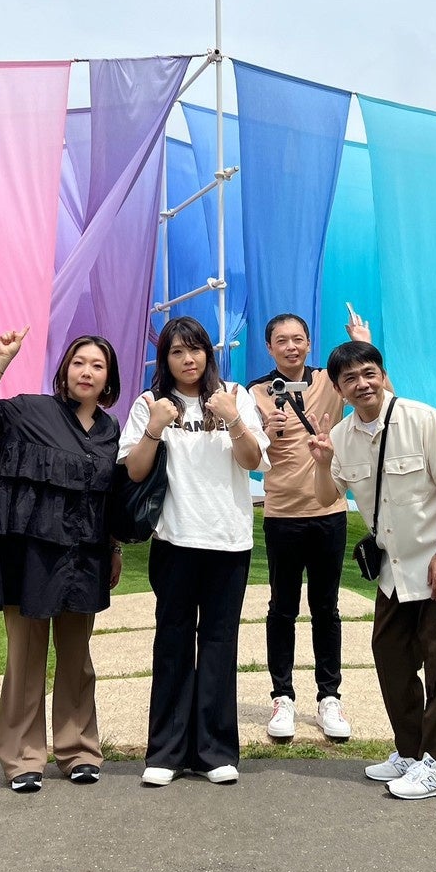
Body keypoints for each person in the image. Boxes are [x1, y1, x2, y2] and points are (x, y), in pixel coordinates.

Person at [308, 340, 436, 801]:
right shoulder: (342, 436)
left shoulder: (421, 419)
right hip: (395, 570)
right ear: (339, 389)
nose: (362, 384)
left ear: (383, 375)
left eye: (369, 373)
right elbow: (327, 497)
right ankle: (410, 752)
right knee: (391, 655)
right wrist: (323, 464)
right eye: (350, 378)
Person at [0, 327, 123, 794]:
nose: (86, 372)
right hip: (29, 556)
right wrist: (2, 360)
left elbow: (108, 500)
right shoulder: (31, 411)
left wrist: (114, 549)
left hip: (84, 557)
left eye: (97, 365)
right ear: (65, 370)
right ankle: (22, 758)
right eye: (79, 362)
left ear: (108, 378)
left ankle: (79, 752)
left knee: (77, 661)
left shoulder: (110, 431)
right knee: (25, 659)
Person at [119, 315, 269, 787]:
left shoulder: (235, 395)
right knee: (173, 643)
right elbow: (134, 472)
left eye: (196, 349)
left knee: (220, 644)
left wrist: (234, 418)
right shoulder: (150, 404)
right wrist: (154, 428)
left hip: (228, 540)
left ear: (208, 353)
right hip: (175, 541)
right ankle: (166, 752)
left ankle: (215, 751)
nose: (188, 359)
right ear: (165, 358)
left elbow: (254, 462)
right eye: (177, 351)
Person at [248, 308, 369, 743]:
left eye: (298, 338)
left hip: (329, 511)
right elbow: (248, 453)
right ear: (269, 347)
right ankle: (282, 696)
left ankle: (328, 697)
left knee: (326, 608)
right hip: (282, 514)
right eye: (282, 340)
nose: (291, 347)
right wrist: (266, 430)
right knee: (282, 608)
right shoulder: (256, 392)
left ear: (309, 343)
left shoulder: (329, 382)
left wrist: (362, 345)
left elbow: (379, 398)